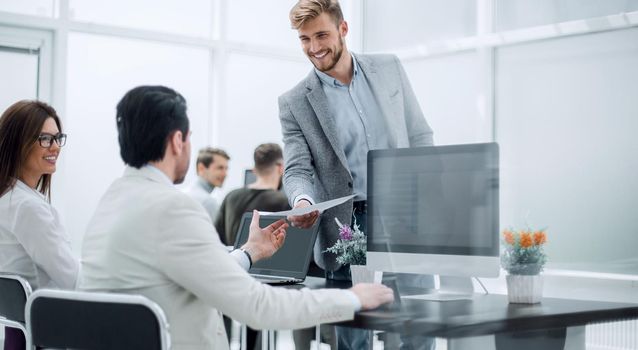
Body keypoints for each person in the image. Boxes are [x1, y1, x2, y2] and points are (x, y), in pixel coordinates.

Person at [78, 85, 394, 350]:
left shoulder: (111, 202)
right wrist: (351, 299)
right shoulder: (172, 209)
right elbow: (258, 307)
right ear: (178, 141)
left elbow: (188, 272)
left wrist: (247, 253)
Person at [279, 1, 436, 348]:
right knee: (354, 339)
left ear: (343, 29)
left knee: (420, 329)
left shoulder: (388, 68)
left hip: (405, 217)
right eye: (305, 39)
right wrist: (303, 200)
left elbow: (420, 134)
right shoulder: (294, 102)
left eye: (321, 35)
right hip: (348, 228)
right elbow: (296, 168)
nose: (315, 47)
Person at [0, 100, 79, 350]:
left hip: (20, 336)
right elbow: (72, 279)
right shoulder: (27, 208)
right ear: (19, 143)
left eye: (58, 138)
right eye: (45, 139)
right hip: (44, 336)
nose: (55, 147)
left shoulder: (9, 198)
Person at [214, 142, 290, 349]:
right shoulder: (284, 202)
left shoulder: (231, 197)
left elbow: (218, 240)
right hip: (266, 290)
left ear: (254, 169)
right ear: (281, 168)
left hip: (232, 280)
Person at [186, 147, 229, 222]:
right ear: (201, 168)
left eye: (226, 169)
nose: (225, 174)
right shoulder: (208, 202)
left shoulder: (186, 193)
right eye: (220, 168)